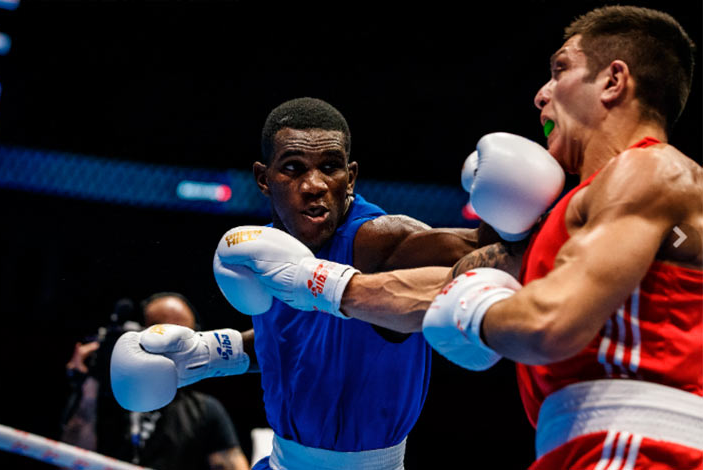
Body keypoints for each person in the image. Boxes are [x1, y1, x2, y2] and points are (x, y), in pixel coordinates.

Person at [212, 6, 701, 469]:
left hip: (644, 442)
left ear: (613, 81)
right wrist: (311, 283)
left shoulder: (649, 169)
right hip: (578, 439)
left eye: (560, 70)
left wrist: (471, 306)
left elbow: (546, 323)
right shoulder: (571, 217)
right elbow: (445, 285)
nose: (541, 94)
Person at [110, 97, 558, 469]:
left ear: (352, 176)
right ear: (264, 180)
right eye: (293, 168)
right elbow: (297, 342)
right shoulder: (266, 251)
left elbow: (502, 250)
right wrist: (212, 354)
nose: (315, 184)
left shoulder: (379, 240)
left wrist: (518, 218)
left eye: (330, 167)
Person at [64, 293, 250, 470]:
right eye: (160, 331)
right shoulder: (101, 398)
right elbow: (68, 461)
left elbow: (232, 464)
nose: (170, 347)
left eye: (182, 338)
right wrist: (90, 387)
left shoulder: (204, 410)